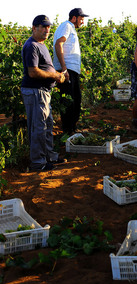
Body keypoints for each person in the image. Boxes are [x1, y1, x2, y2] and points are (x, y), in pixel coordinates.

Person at [21, 15, 66, 171]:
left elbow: (45, 67)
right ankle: (38, 163)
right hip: (35, 91)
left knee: (47, 124)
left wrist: (57, 75)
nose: (47, 30)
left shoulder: (41, 45)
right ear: (34, 28)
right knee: (38, 127)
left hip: (43, 92)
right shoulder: (31, 46)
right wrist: (55, 76)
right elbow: (33, 72)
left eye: (48, 27)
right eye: (43, 26)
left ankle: (48, 156)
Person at [53, 8, 89, 134]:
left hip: (71, 70)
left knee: (75, 100)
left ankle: (71, 129)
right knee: (69, 102)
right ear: (74, 18)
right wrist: (64, 68)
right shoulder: (66, 26)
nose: (82, 22)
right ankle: (68, 132)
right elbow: (59, 44)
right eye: (81, 19)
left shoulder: (70, 28)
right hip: (67, 70)